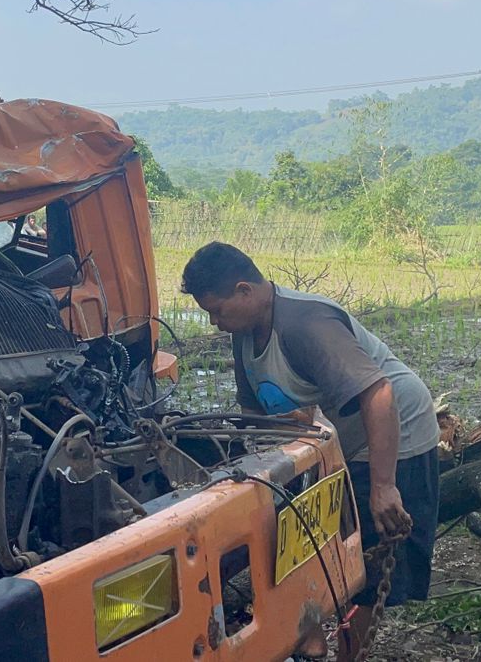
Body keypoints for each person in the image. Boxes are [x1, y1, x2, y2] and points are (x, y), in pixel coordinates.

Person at [181, 242, 439, 649]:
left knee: (364, 557)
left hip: (392, 430)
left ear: (245, 291)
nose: (215, 323)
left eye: (218, 310)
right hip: (336, 437)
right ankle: (311, 640)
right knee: (305, 541)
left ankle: (348, 653)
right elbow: (257, 417)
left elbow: (379, 393)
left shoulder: (305, 324)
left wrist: (384, 485)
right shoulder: (245, 332)